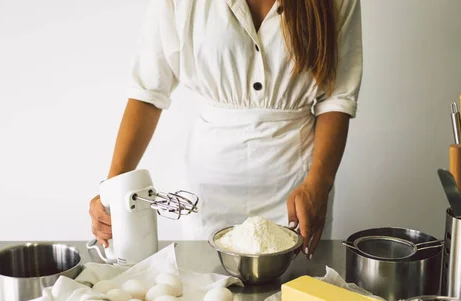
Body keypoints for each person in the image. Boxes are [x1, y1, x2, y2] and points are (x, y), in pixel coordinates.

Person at [89, 0, 362, 259]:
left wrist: (318, 184)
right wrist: (112, 193)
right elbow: (147, 92)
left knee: (295, 300)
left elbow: (337, 98)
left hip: (297, 188)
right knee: (207, 297)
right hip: (208, 197)